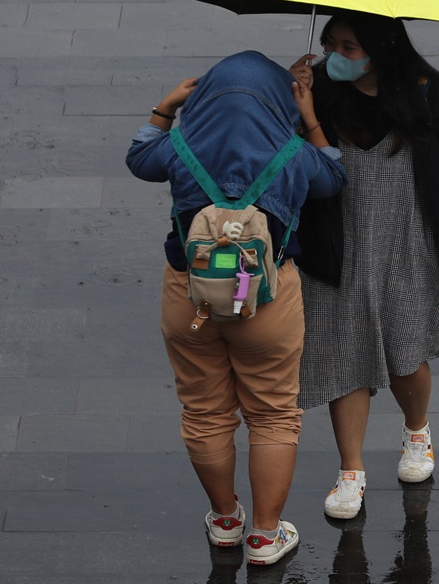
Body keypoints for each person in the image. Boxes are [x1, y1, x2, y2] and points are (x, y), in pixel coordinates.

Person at [126, 50, 348, 565]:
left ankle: (226, 520)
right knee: (273, 415)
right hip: (266, 302)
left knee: (204, 413)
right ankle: (265, 538)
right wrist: (309, 116)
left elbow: (139, 159)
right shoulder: (291, 153)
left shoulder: (181, 147)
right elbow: (335, 179)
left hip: (191, 298)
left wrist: (166, 106)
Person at [289, 9, 439, 520]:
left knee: (407, 348)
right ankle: (351, 471)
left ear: (383, 49)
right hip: (336, 240)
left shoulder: (428, 91)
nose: (337, 56)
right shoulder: (315, 88)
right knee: (344, 352)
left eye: (350, 47)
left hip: (409, 238)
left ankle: (416, 431)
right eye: (332, 44)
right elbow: (296, 161)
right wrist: (296, 103)